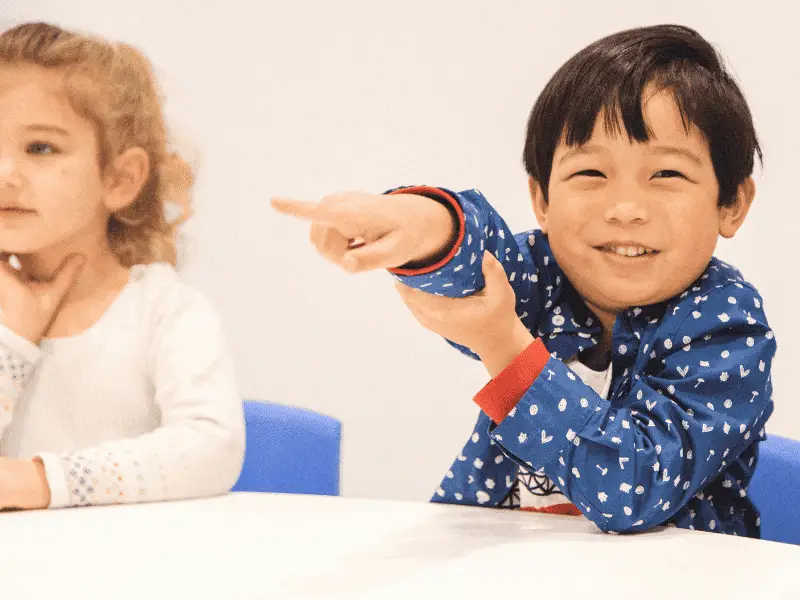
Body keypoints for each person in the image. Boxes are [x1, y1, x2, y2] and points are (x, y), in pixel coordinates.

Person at [272, 24, 777, 537]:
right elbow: (477, 259)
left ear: (731, 205)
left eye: (666, 175)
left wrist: (503, 346)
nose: (626, 209)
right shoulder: (542, 276)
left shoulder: (726, 326)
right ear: (542, 201)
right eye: (591, 175)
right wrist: (421, 222)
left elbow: (633, 486)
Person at [0, 22, 245, 510]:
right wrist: (11, 340)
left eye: (40, 148)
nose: (4, 175)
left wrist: (42, 481)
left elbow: (212, 447)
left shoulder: (164, 310)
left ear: (120, 178)